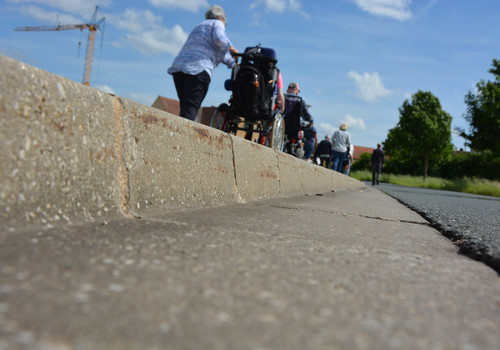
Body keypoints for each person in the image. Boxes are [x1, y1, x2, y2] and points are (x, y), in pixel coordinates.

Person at [168, 5, 238, 121]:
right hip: (198, 68)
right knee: (191, 108)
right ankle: (184, 137)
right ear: (221, 18)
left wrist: (233, 64)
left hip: (179, 68)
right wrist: (232, 49)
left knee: (186, 107)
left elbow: (219, 52)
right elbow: (220, 39)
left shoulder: (199, 26)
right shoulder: (217, 24)